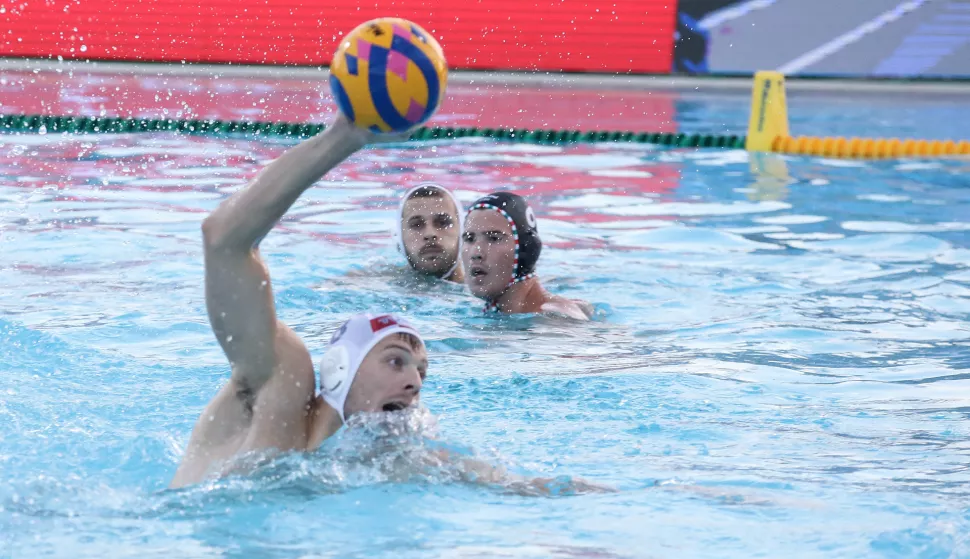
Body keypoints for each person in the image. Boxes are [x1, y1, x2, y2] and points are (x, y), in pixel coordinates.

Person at [170, 115, 607, 496]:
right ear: (342, 368)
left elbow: (510, 485)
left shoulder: (387, 461)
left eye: (421, 370)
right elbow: (224, 240)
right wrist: (345, 137)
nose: (415, 383)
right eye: (396, 361)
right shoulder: (280, 385)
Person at [462, 192, 593, 320]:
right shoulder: (491, 311)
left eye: (494, 238)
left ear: (526, 249)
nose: (476, 253)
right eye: (469, 239)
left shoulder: (555, 319)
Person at [393, 183, 464, 283]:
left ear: (463, 233)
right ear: (399, 239)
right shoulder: (376, 283)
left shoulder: (487, 290)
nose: (430, 234)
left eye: (442, 223)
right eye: (417, 225)